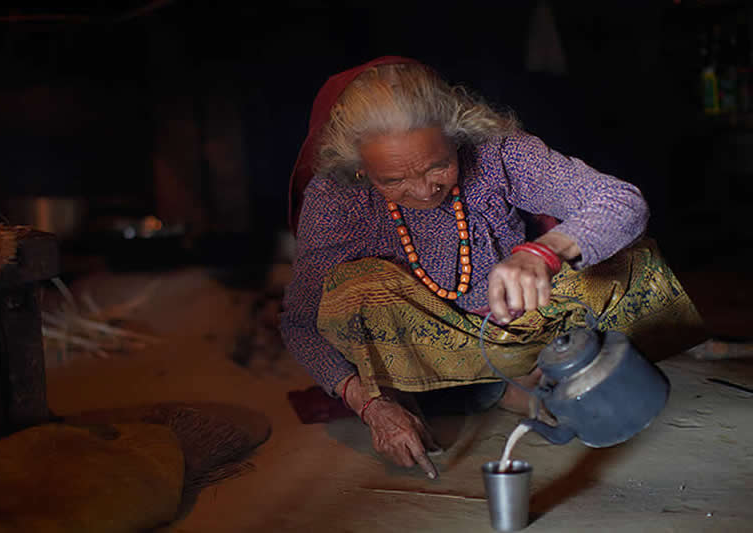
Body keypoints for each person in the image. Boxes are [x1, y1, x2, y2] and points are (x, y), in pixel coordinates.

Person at [280, 56, 704, 479]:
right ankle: (484, 389)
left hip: (521, 320)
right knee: (353, 293)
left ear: (456, 135)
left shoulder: (498, 152)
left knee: (626, 266)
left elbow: (620, 201)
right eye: (393, 180)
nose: (425, 190)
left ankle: (508, 381)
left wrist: (545, 252)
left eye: (438, 165)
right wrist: (370, 406)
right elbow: (298, 323)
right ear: (359, 167)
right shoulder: (336, 198)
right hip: (424, 350)